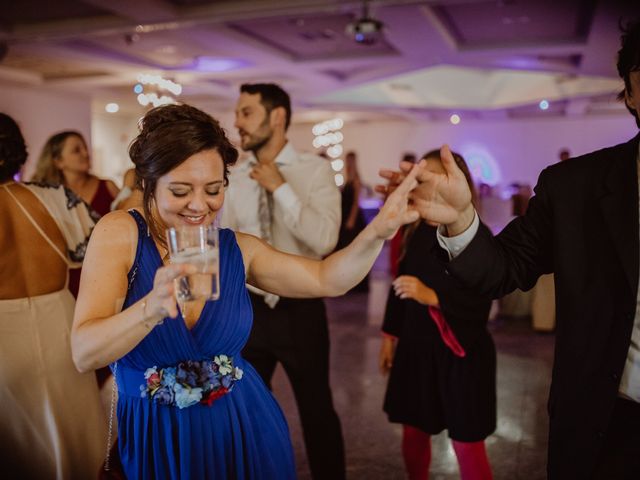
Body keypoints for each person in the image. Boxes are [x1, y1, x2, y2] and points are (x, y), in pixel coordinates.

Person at [70, 103, 421, 479]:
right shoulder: (120, 233)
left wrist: (379, 231)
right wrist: (150, 309)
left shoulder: (237, 248)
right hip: (160, 440)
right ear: (148, 183)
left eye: (214, 189)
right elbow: (83, 353)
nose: (200, 205)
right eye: (181, 190)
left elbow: (326, 278)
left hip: (242, 428)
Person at [382, 19, 640, 479]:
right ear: (632, 92)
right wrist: (462, 221)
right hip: (608, 424)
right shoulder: (575, 188)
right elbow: (502, 270)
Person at [220, 83, 346, 478]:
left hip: (301, 309)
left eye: (246, 113)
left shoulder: (315, 169)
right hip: (248, 309)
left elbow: (325, 240)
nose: (237, 122)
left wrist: (281, 189)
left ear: (277, 117)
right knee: (249, 407)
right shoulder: (234, 176)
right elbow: (228, 241)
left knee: (316, 408)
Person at [0, 113, 107, 477]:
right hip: (62, 326)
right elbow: (100, 248)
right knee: (73, 434)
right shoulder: (55, 196)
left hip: (3, 342)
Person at [379, 149, 495, 480]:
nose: (425, 185)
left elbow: (483, 294)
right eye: (421, 178)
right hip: (416, 348)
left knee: (467, 441)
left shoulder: (474, 235)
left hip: (460, 353)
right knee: (414, 432)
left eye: (435, 179)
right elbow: (400, 283)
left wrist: (432, 296)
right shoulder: (414, 231)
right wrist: (390, 337)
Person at [336, 150, 369, 293]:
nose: (347, 163)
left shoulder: (356, 180)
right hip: (345, 219)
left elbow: (356, 203)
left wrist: (351, 220)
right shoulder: (347, 179)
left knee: (353, 251)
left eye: (349, 161)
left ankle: (356, 285)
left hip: (352, 221)